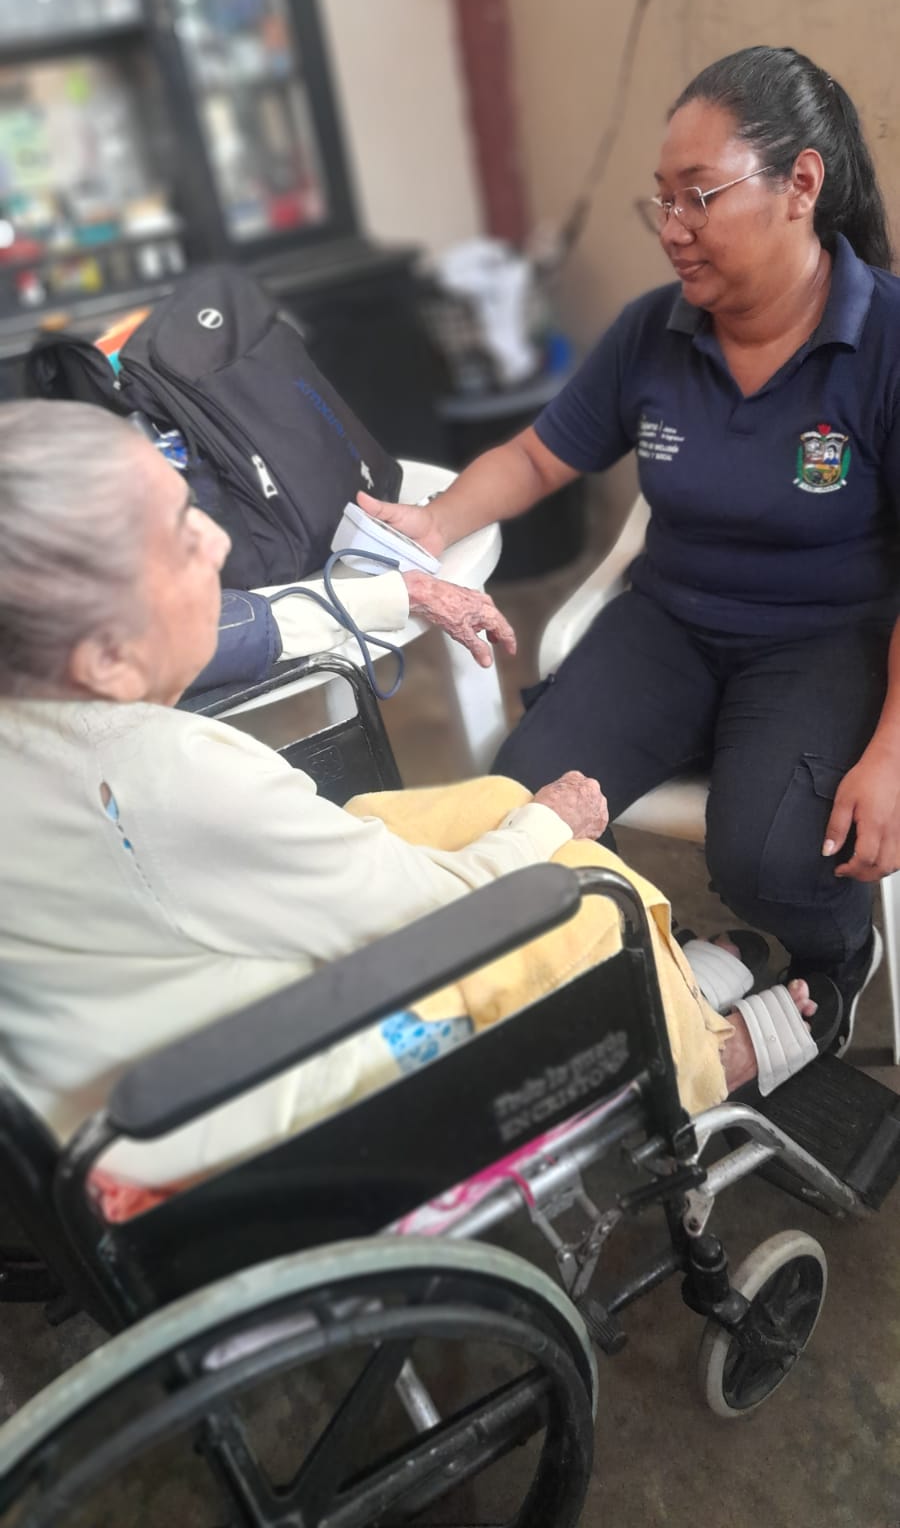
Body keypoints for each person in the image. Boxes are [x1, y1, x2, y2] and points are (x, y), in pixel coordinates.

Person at [0, 400, 834, 1197]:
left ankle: (667, 993)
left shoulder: (44, 697)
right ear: (106, 657)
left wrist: (403, 593)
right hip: (238, 1099)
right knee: (580, 892)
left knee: (466, 807)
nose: (217, 541)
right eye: (182, 540)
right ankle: (699, 1060)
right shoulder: (168, 778)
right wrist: (551, 824)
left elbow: (242, 629)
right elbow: (437, 913)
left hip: (132, 1030)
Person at [358, 44, 900, 1054]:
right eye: (663, 200)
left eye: (699, 196)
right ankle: (659, 957)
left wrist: (894, 750)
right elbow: (538, 455)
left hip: (826, 639)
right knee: (524, 805)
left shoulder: (887, 342)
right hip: (671, 625)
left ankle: (834, 959)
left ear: (801, 185)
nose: (673, 228)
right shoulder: (656, 330)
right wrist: (438, 521)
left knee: (770, 858)